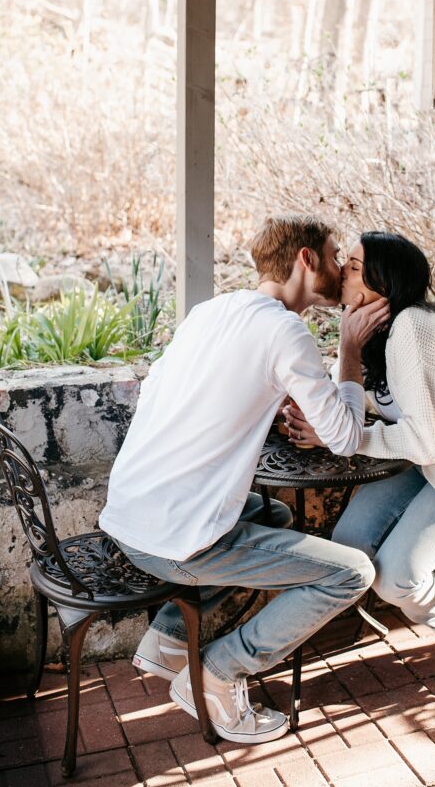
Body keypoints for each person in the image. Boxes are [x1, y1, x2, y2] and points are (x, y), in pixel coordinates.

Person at [99, 215, 390, 744]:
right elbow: (345, 437)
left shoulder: (212, 311)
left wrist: (263, 399)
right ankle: (217, 672)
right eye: (331, 256)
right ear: (305, 259)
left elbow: (170, 391)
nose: (339, 267)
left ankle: (166, 639)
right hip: (175, 543)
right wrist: (349, 350)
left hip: (128, 518)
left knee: (272, 513)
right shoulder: (285, 331)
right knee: (350, 574)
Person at [283, 231, 435, 678]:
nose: (341, 272)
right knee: (349, 547)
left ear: (381, 284)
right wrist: (319, 411)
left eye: (352, 266)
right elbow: (351, 401)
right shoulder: (376, 333)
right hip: (423, 468)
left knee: (395, 578)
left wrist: (351, 438)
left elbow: (428, 441)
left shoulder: (412, 328)